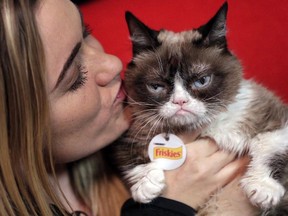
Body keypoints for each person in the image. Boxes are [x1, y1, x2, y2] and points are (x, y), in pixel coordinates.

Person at [0, 0, 249, 215]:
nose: (114, 64)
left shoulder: (135, 141)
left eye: (86, 33)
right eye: (74, 77)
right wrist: (164, 208)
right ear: (11, 124)